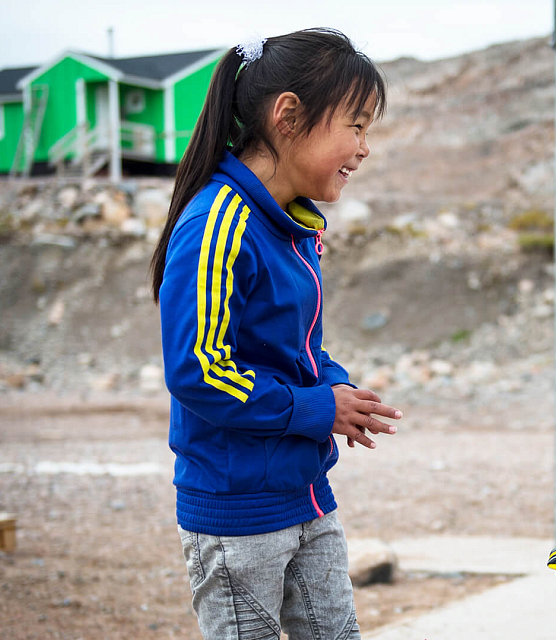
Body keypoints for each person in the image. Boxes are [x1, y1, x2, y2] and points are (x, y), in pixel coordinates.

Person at [148, 28, 400, 640]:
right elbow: (198, 369)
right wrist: (316, 407)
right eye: (356, 126)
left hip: (305, 493)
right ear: (289, 116)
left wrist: (337, 392)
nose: (364, 148)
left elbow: (299, 348)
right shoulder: (218, 221)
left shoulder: (293, 227)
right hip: (237, 513)